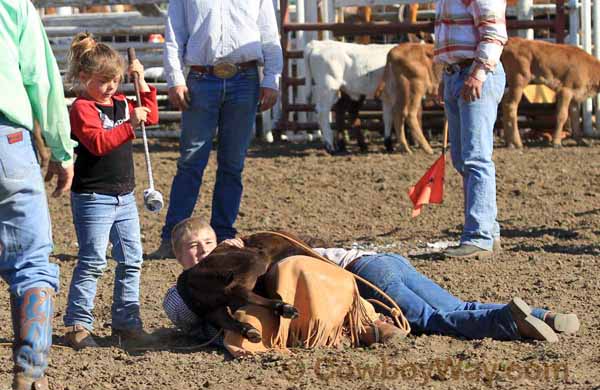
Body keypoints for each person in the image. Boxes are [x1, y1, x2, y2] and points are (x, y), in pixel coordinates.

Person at [162, 218, 580, 346]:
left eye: (206, 243)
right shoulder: (245, 250)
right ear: (178, 257)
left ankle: (512, 324)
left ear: (219, 241)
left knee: (433, 320)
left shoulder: (230, 264)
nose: (200, 252)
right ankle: (544, 316)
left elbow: (190, 315)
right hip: (376, 260)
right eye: (191, 248)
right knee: (455, 305)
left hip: (364, 276)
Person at [150, 0, 283, 259]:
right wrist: (175, 79)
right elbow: (174, 33)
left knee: (232, 163)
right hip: (205, 77)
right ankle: (174, 238)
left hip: (241, 78)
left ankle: (221, 237)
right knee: (191, 161)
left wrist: (271, 78)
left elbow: (269, 35)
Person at [61, 33, 159, 350]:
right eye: (104, 81)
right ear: (84, 78)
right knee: (92, 261)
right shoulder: (82, 108)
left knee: (132, 260)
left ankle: (126, 323)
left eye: (115, 80)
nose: (111, 87)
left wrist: (141, 82)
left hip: (124, 195)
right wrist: (131, 123)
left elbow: (151, 115)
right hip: (94, 196)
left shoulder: (120, 103)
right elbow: (98, 143)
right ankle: (78, 323)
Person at [0, 0, 77, 390]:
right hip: (6, 141)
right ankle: (30, 378)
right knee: (30, 261)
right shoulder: (13, 5)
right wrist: (62, 151)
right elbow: (41, 78)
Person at [435, 0, 507, 258]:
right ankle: (488, 231)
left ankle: (479, 236)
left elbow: (494, 32)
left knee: (475, 158)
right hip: (459, 72)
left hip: (474, 73)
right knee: (464, 159)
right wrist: (447, 75)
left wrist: (478, 72)